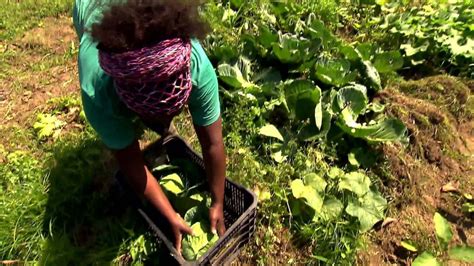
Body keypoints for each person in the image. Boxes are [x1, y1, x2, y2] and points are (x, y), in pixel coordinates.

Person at [72, 0, 226, 253]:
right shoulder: (96, 91)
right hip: (90, 7)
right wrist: (169, 215)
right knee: (120, 135)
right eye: (155, 121)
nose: (165, 128)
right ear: (123, 97)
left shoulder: (196, 65)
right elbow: (130, 162)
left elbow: (213, 143)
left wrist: (218, 200)